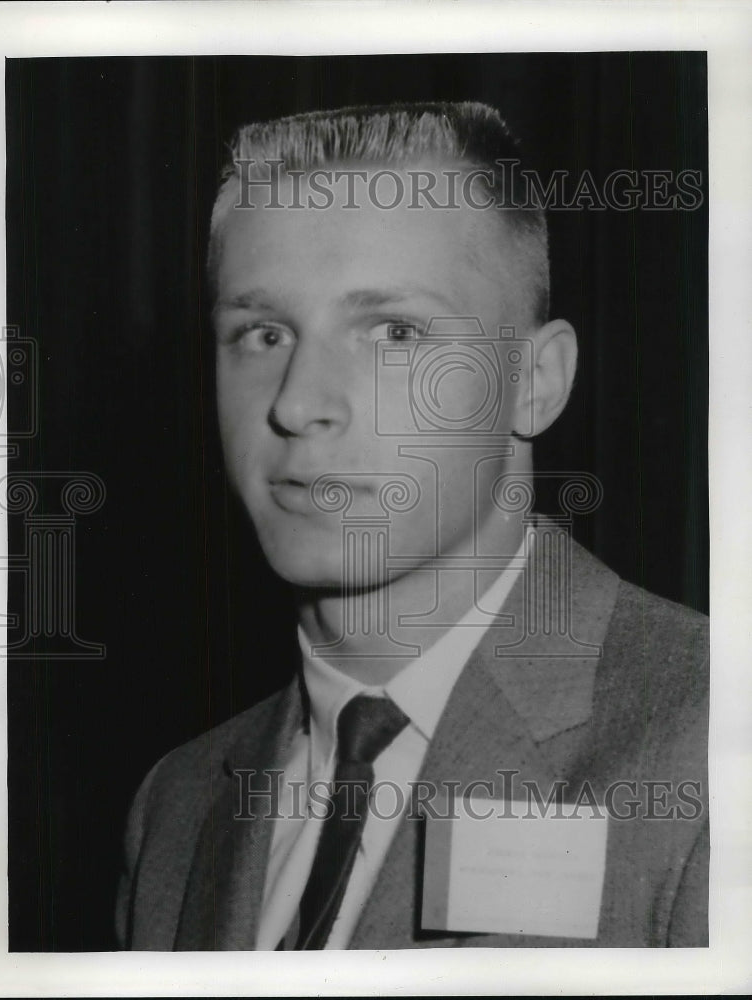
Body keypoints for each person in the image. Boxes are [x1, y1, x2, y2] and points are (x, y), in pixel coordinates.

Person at [116, 101, 708, 950]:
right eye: (262, 333)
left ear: (534, 381)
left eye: (394, 332)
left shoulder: (712, 747)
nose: (297, 403)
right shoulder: (176, 807)